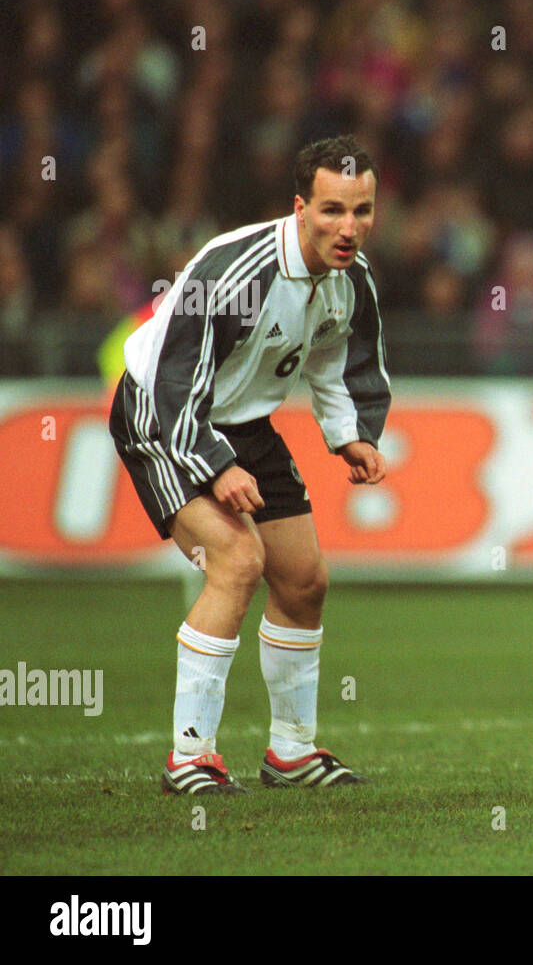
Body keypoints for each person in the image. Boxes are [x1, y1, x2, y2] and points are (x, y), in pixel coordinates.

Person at [108, 135, 390, 794]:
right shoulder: (233, 269)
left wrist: (351, 434)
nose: (348, 228)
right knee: (238, 562)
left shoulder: (352, 281)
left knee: (305, 580)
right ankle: (190, 757)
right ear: (300, 206)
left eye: (363, 211)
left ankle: (291, 752)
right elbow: (176, 380)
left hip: (243, 422)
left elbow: (341, 361)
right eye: (332, 210)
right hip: (164, 412)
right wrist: (212, 465)